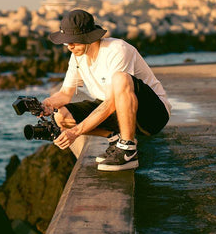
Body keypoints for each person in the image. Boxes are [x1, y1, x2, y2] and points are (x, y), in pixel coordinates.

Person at [41, 9, 171, 171]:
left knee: (120, 78)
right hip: (118, 112)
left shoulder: (117, 50)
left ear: (88, 37)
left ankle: (128, 149)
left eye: (74, 41)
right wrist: (46, 104)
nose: (70, 46)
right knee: (60, 116)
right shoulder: (77, 57)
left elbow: (111, 103)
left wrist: (76, 131)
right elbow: (65, 93)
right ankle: (115, 138)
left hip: (151, 115)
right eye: (66, 42)